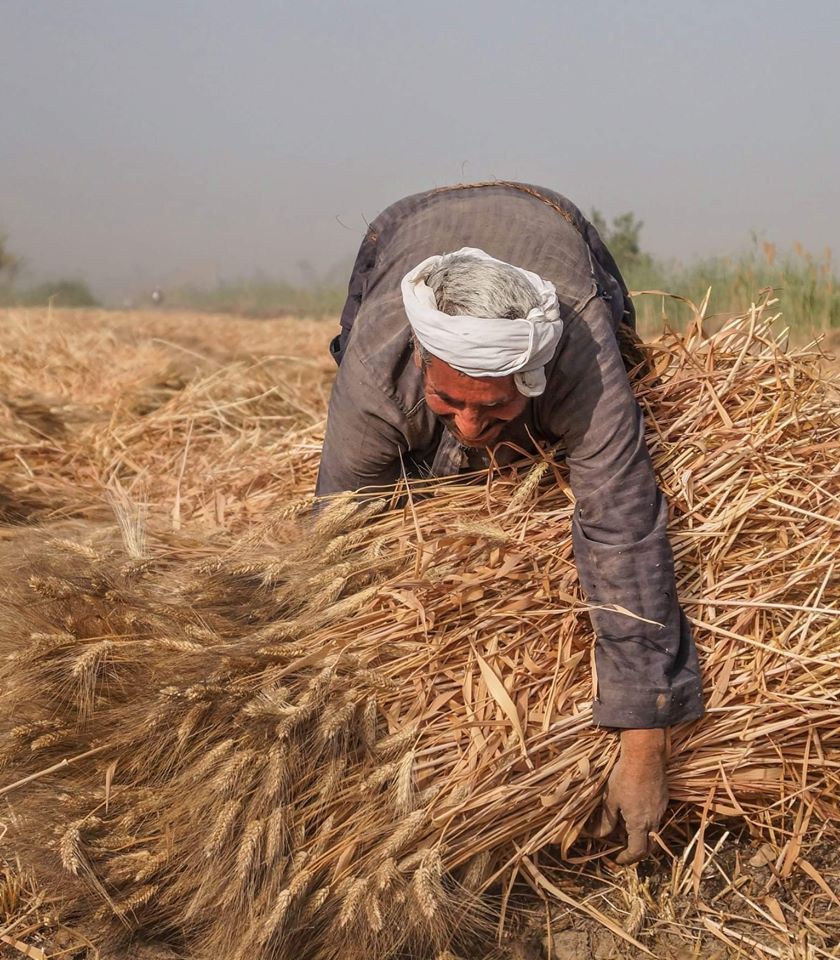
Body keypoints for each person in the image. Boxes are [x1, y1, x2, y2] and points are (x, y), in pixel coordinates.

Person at [316, 181, 704, 864]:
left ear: (533, 376)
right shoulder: (379, 364)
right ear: (421, 357)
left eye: (492, 407)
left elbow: (623, 529)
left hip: (553, 222)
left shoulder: (578, 359)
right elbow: (341, 530)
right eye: (448, 399)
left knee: (616, 440)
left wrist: (646, 744)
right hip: (403, 227)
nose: (469, 423)